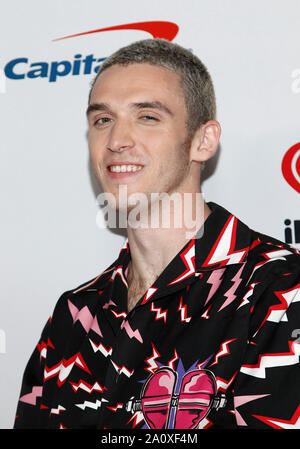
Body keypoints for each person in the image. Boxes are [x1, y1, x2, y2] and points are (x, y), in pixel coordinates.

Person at [14, 38, 300, 430]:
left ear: (203, 140)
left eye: (147, 117)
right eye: (102, 119)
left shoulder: (280, 291)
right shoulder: (75, 314)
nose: (116, 141)